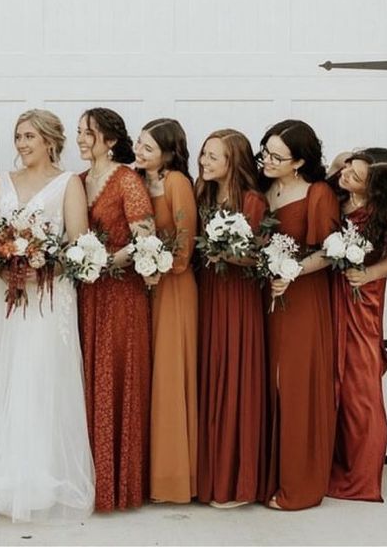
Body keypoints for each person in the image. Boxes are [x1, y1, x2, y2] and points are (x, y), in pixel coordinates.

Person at [0, 109, 95, 521]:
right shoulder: (1, 182)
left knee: (40, 376)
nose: (22, 144)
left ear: (50, 140)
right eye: (17, 137)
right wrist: (5, 256)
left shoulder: (69, 184)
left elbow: (79, 246)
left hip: (48, 299)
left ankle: (42, 477)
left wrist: (42, 264)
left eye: (29, 136)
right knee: (1, 374)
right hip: (3, 298)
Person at [77, 107, 154, 511]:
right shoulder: (76, 181)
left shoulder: (127, 180)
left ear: (109, 140)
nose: (81, 138)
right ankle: (86, 477)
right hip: (85, 294)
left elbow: (145, 238)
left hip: (121, 294)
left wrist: (105, 262)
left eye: (88, 132)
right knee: (87, 378)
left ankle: (119, 482)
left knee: (117, 378)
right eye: (78, 132)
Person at [259, 119, 339, 510]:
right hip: (266, 297)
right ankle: (267, 475)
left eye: (277, 156)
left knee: (295, 383)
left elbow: (329, 250)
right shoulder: (263, 188)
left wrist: (291, 272)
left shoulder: (318, 193)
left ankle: (300, 484)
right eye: (266, 152)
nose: (268, 160)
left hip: (303, 299)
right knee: (267, 382)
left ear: (299, 161)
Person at [327, 149, 387, 500]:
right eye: (349, 169)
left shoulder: (386, 215)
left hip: (360, 303)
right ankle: (329, 464)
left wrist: (370, 273)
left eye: (356, 177)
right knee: (330, 383)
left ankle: (362, 478)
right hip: (326, 298)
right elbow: (336, 167)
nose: (346, 176)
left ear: (373, 190)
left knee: (361, 392)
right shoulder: (337, 189)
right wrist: (347, 163)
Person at [193, 129, 267, 508]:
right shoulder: (201, 195)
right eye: (204, 154)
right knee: (208, 374)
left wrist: (229, 254)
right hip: (206, 293)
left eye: (213, 156)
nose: (204, 161)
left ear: (233, 161)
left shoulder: (252, 201)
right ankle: (206, 478)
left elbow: (260, 257)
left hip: (237, 298)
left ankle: (236, 481)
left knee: (234, 375)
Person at [134, 118, 198, 504]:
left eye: (148, 149)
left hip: (173, 286)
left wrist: (162, 269)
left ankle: (172, 478)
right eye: (138, 145)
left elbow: (184, 241)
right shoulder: (139, 181)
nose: (139, 153)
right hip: (146, 285)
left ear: (169, 154)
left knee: (170, 375)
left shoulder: (176, 183)